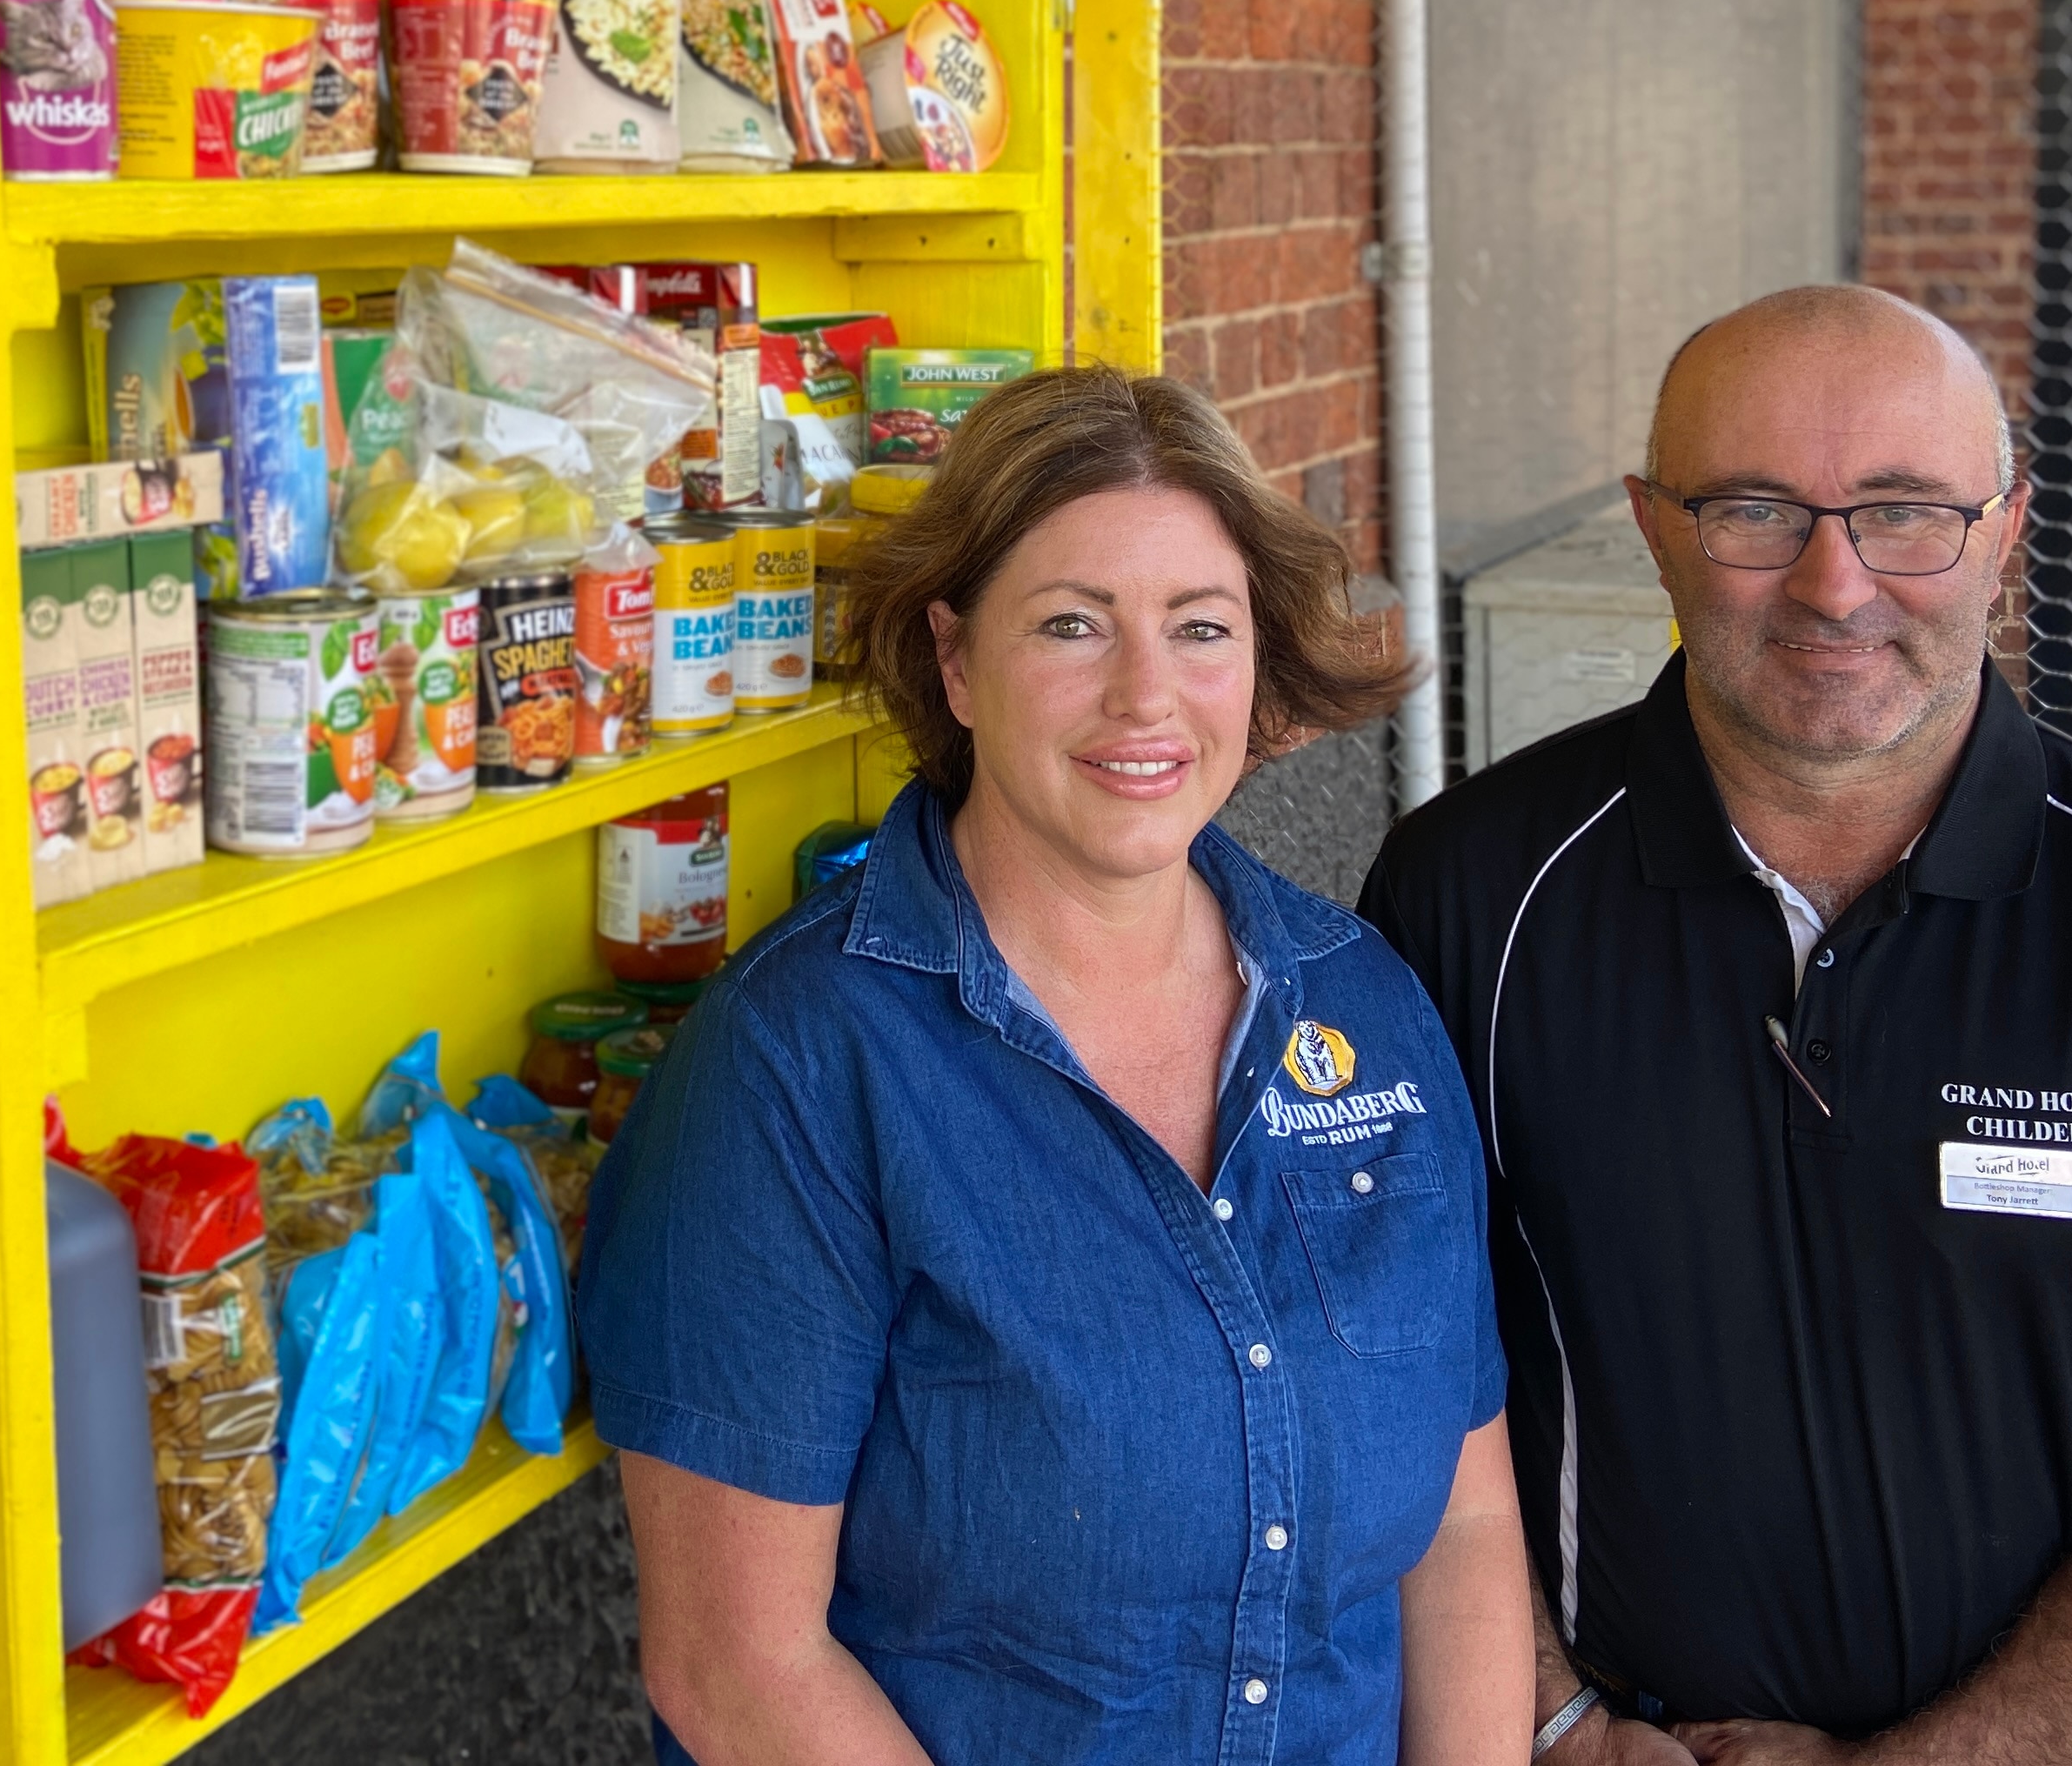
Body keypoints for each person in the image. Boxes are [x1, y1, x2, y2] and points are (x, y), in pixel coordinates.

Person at [1361, 286, 2072, 1766]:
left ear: (2005, 529)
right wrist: (1553, 1713)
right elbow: (1384, 1356)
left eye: (1907, 513)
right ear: (1652, 525)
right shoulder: (1466, 894)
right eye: (1752, 510)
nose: (1835, 587)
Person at [579, 365, 1539, 1763]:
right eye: (1072, 626)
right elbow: (739, 1666)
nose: (1147, 696)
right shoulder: (795, 1064)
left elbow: (1463, 1526)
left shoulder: (1362, 1005)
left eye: (1200, 629)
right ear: (958, 661)